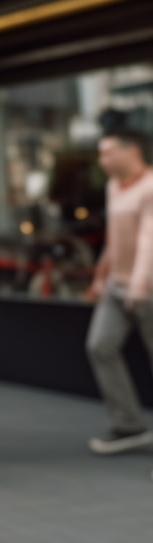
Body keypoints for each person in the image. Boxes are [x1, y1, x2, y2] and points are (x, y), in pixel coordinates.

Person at [84, 127, 153, 457]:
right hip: (118, 286)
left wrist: (139, 284)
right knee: (100, 346)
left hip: (148, 288)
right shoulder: (114, 187)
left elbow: (147, 241)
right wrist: (100, 277)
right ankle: (129, 424)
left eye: (109, 152)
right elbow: (115, 238)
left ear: (132, 151)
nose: (103, 160)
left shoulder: (151, 186)